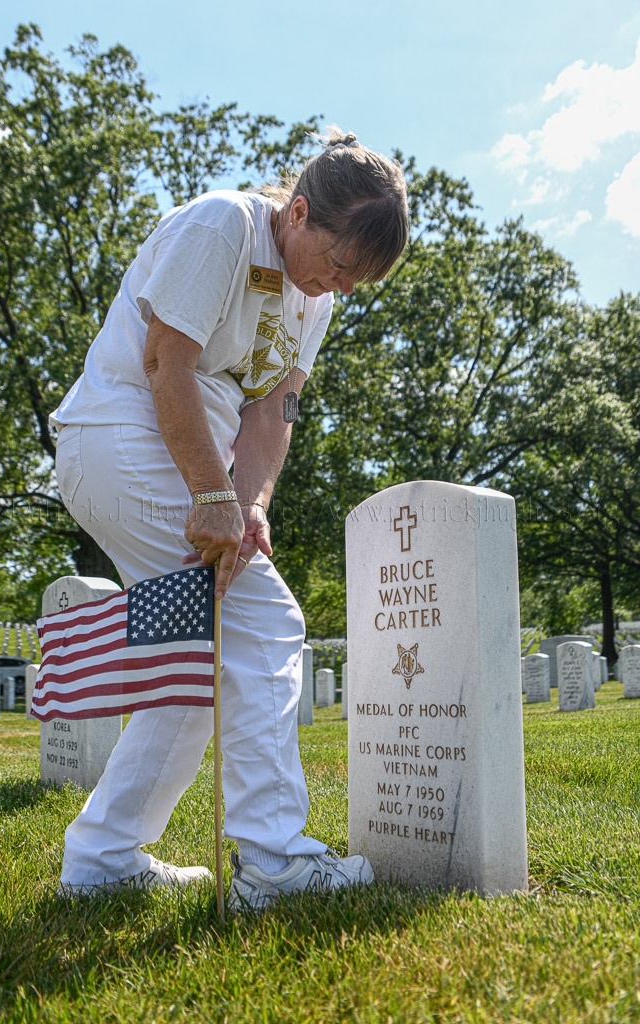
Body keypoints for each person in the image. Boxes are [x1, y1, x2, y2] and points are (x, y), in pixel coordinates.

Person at [52, 125, 409, 909]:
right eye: (337, 266)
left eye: (356, 284)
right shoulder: (223, 224)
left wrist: (248, 504)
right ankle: (275, 860)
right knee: (265, 625)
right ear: (299, 213)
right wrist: (211, 496)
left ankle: (101, 859)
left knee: (195, 665)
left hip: (193, 461)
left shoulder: (311, 298)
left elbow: (271, 414)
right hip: (121, 438)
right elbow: (163, 362)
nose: (336, 289)